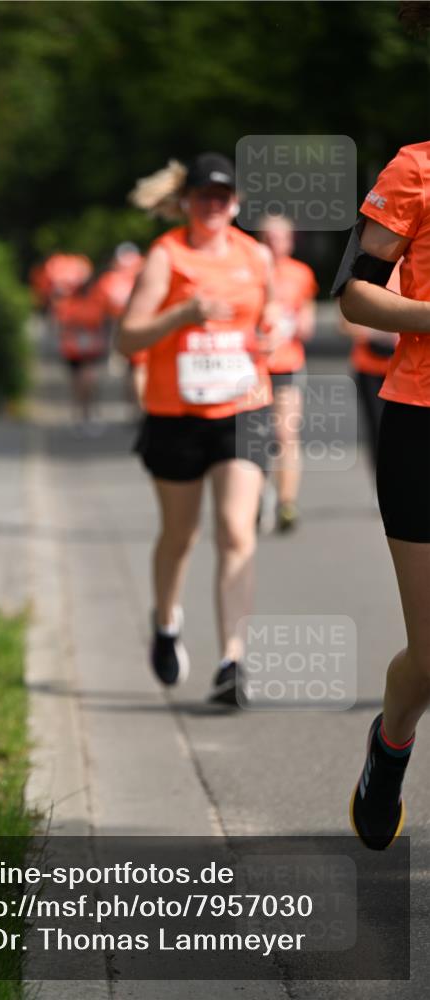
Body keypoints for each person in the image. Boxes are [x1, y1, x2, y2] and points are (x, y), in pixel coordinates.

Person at [116, 152, 278, 703]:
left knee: (236, 529)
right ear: (186, 202)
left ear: (236, 203)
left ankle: (233, 660)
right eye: (205, 197)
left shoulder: (255, 256)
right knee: (180, 535)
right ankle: (166, 622)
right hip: (175, 413)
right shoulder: (166, 256)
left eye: (224, 197)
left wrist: (274, 335)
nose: (214, 206)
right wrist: (181, 316)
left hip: (244, 405)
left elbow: (271, 319)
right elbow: (128, 339)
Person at [332, 138, 430, 849]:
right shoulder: (415, 167)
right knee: (429, 657)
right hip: (420, 422)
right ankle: (390, 746)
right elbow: (357, 294)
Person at [258, 215, 318, 532]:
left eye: (280, 238)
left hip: (287, 364)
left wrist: (296, 323)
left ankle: (286, 503)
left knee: (285, 435)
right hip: (252, 368)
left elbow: (306, 320)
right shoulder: (249, 269)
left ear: (290, 241)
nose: (274, 243)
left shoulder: (300, 273)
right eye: (268, 237)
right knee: (254, 437)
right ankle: (255, 499)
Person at [338, 266, 400, 477]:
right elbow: (345, 323)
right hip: (369, 367)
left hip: (403, 367)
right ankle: (381, 480)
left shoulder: (417, 269)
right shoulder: (368, 270)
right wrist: (376, 333)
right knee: (377, 428)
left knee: (405, 430)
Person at [52, 277, 110, 434]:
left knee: (89, 382)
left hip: (90, 349)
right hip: (75, 350)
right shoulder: (69, 304)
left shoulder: (95, 303)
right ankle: (81, 415)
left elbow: (102, 323)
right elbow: (61, 324)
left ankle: (88, 413)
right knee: (79, 384)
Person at [94, 243, 148, 409]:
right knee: (137, 368)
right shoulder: (143, 274)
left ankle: (137, 405)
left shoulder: (112, 278)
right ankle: (138, 406)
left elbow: (100, 304)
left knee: (136, 368)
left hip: (124, 324)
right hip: (131, 324)